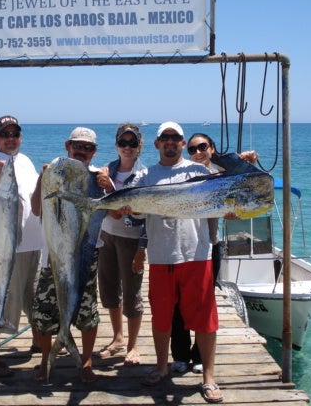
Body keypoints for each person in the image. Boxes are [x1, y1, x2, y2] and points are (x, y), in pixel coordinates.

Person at [120, 121, 224, 403]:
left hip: (197, 254)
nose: (170, 142)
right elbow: (135, 215)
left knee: (204, 318)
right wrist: (129, 208)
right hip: (162, 255)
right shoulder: (145, 175)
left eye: (175, 138)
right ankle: (162, 366)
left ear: (181, 143)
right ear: (156, 144)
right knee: (162, 316)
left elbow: (219, 202)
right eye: (164, 138)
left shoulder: (200, 171)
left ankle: (209, 378)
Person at [170, 133, 259, 376]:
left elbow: (248, 182)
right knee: (177, 302)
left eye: (202, 147)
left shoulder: (222, 173)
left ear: (212, 148)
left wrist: (248, 161)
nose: (197, 152)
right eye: (192, 149)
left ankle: (199, 355)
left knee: (204, 301)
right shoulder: (185, 172)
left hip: (210, 246)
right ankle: (179, 354)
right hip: (181, 245)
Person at [30, 126, 109, 383]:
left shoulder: (98, 178)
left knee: (87, 313)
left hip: (85, 258)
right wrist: (43, 180)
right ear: (67, 146)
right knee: (42, 314)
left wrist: (109, 188)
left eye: (88, 148)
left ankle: (85, 362)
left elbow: (117, 213)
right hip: (51, 257)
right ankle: (46, 360)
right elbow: (35, 209)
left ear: (94, 152)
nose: (82, 151)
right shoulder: (53, 173)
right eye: (78, 146)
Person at [0, 115, 44, 378]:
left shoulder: (24, 160)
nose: (11, 138)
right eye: (5, 134)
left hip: (32, 245)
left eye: (15, 134)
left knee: (34, 297)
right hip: (1, 248)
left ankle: (38, 341)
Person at [94, 123, 146, 366]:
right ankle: (118, 337)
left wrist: (141, 250)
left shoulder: (145, 175)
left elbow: (138, 214)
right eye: (123, 143)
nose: (127, 147)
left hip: (131, 238)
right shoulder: (107, 169)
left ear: (139, 146)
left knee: (132, 292)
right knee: (109, 289)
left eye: (132, 143)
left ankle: (133, 345)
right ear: (116, 145)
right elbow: (102, 206)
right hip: (106, 236)